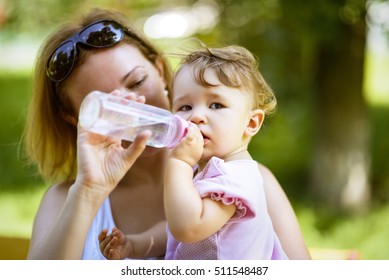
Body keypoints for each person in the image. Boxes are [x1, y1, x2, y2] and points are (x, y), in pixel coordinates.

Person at [23, 7, 311, 260]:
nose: (131, 109)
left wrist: (179, 162)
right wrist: (89, 191)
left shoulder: (244, 180)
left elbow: (186, 227)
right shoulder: (65, 200)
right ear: (76, 119)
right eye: (108, 105)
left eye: (136, 82)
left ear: (161, 72)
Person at [99, 45, 289, 260]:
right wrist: (136, 245)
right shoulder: (207, 171)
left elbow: (188, 228)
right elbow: (172, 230)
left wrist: (178, 162)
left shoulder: (236, 179)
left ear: (251, 122)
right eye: (185, 107)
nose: (196, 116)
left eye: (216, 105)